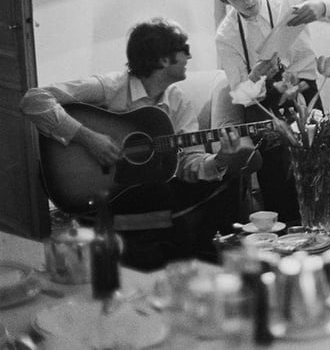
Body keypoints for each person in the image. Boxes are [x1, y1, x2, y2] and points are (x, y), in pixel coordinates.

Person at [20, 18, 260, 270]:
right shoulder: (110, 87)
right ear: (164, 60)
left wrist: (221, 159)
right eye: (184, 50)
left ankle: (198, 261)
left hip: (144, 189)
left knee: (224, 181)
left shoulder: (178, 102)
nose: (189, 57)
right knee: (165, 198)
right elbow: (34, 100)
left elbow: (190, 163)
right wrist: (89, 138)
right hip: (104, 192)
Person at [207, 0, 330, 222]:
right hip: (264, 108)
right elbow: (240, 96)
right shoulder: (227, 36)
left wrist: (321, 7)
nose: (247, 1)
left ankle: (326, 235)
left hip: (307, 96)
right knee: (279, 189)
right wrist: (254, 76)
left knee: (321, 176)